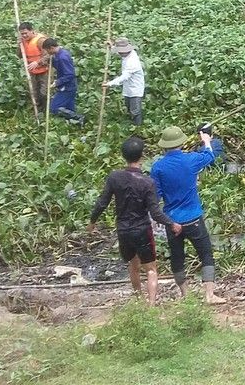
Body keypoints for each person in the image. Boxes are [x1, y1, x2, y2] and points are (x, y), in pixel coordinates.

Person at [88, 136, 181, 305]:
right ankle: (151, 306)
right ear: (141, 156)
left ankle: (138, 300)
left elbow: (102, 202)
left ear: (124, 156)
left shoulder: (114, 178)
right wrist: (171, 223)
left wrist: (92, 221)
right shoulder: (147, 182)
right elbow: (155, 212)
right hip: (142, 229)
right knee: (151, 269)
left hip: (123, 230)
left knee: (133, 265)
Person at [150, 125, 227, 305]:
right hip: (193, 217)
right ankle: (209, 295)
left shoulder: (158, 167)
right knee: (206, 253)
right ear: (181, 144)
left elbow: (156, 195)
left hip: (172, 221)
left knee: (177, 257)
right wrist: (206, 141)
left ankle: (185, 294)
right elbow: (209, 156)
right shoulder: (190, 160)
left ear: (164, 146)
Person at [43, 38, 85, 125]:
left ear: (51, 48)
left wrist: (57, 82)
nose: (47, 53)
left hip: (67, 87)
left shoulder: (62, 57)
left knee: (54, 107)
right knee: (69, 108)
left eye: (47, 50)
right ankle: (76, 124)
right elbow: (60, 66)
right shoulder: (60, 54)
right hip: (70, 86)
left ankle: (79, 117)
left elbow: (70, 74)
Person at [105, 37, 145, 126]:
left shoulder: (132, 61)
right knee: (128, 106)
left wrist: (109, 84)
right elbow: (117, 53)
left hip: (135, 88)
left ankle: (137, 128)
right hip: (128, 87)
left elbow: (124, 77)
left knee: (135, 111)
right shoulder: (127, 54)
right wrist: (112, 47)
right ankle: (131, 125)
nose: (119, 53)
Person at [17, 22, 50, 112]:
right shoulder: (22, 41)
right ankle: (37, 109)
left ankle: (47, 110)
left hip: (44, 71)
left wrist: (38, 62)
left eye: (26, 33)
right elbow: (19, 55)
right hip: (32, 71)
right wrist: (19, 46)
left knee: (44, 93)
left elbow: (48, 55)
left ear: (32, 31)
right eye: (22, 34)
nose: (24, 35)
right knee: (34, 92)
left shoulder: (40, 40)